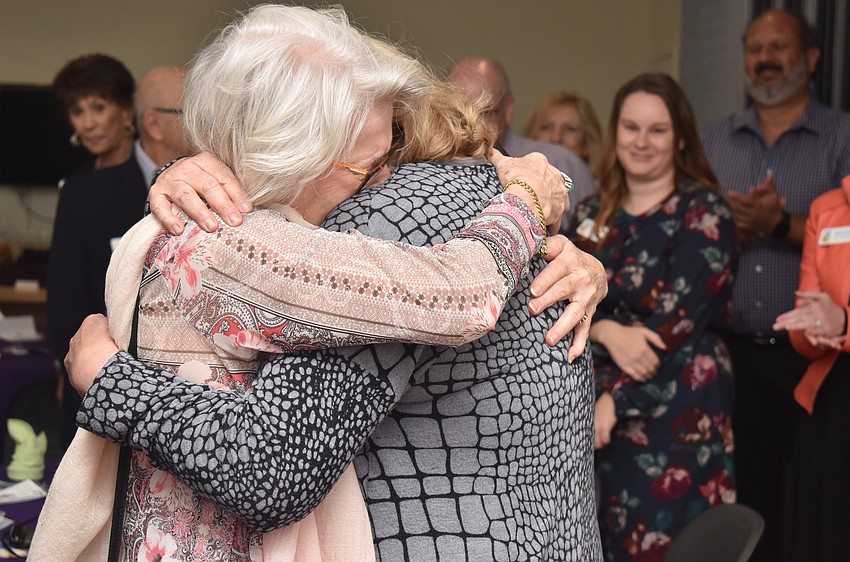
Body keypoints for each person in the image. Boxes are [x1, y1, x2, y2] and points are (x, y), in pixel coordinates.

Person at [31, 6, 582, 561]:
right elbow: (466, 295)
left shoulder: (208, 223)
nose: (383, 185)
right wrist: (529, 197)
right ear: (290, 156)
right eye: (368, 169)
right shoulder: (244, 250)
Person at [566, 73, 737, 562]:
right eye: (631, 127)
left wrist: (617, 400)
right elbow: (552, 303)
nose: (641, 142)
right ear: (615, 130)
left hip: (675, 402)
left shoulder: (704, 212)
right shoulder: (588, 214)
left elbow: (675, 325)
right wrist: (604, 329)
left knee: (664, 544)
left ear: (680, 137)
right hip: (587, 403)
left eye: (657, 130)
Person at [699, 10, 850, 560]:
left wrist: (778, 223)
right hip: (735, 352)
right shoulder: (716, 141)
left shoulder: (841, 136)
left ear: (811, 58)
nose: (764, 58)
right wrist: (724, 226)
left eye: (778, 46)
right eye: (754, 47)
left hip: (822, 361)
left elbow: (840, 232)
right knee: (750, 498)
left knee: (819, 506)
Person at [46, 65, 189, 449]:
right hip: (103, 389)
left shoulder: (216, 184)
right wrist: (82, 372)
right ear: (153, 124)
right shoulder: (84, 192)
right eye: (190, 113)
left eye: (98, 108)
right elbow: (66, 301)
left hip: (187, 401)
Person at [773, 174, 850, 562]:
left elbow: (840, 320)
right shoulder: (828, 207)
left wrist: (845, 323)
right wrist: (813, 330)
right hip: (831, 399)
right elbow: (806, 327)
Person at [446, 56, 596, 224]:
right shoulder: (427, 167)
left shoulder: (560, 162)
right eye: (455, 113)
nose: (469, 126)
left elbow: (587, 239)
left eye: (484, 112)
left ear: (508, 109)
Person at [52, 53, 136, 172]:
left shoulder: (160, 176)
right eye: (77, 112)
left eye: (99, 108)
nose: (88, 125)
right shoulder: (76, 184)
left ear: (127, 111)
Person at [524, 90, 604, 176]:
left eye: (570, 129)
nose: (556, 138)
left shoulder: (598, 189)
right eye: (546, 128)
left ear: (587, 143)